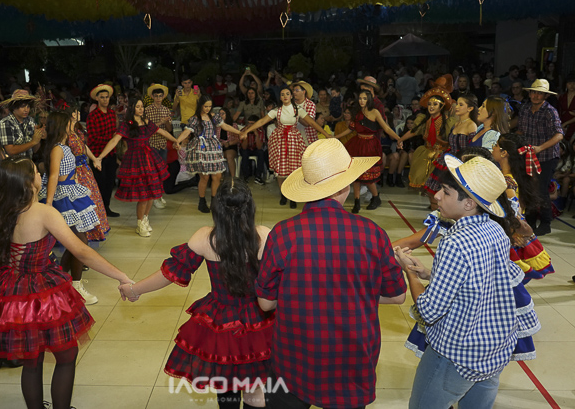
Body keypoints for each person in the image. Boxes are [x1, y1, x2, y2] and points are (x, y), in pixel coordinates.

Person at [0, 157, 134, 409]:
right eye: (36, 171)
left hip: (11, 289)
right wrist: (120, 275)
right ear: (28, 181)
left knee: (32, 361)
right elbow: (82, 251)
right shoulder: (44, 213)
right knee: (67, 356)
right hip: (41, 291)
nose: (40, 174)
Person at [256, 139, 406, 409]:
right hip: (352, 359)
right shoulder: (372, 233)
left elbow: (266, 303)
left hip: (295, 357)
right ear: (346, 186)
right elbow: (397, 296)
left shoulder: (283, 233)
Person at [119, 179, 273, 409]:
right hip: (259, 319)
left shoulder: (205, 238)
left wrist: (134, 289)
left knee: (226, 382)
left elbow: (169, 273)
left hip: (221, 321)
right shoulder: (264, 235)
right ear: (250, 207)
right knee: (255, 385)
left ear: (217, 208)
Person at [395, 155, 527, 409]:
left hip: (456, 354)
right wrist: (429, 274)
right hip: (493, 348)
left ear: (468, 203)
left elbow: (428, 311)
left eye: (446, 192)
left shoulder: (455, 242)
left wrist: (409, 272)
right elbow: (479, 282)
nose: (436, 196)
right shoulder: (496, 231)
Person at [39, 112, 100, 305]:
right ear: (61, 126)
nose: (72, 125)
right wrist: (49, 204)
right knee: (79, 243)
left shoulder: (62, 147)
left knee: (76, 243)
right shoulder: (58, 148)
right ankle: (75, 285)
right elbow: (53, 176)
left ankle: (62, 282)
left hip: (71, 192)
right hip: (64, 197)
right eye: (69, 123)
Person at [94, 97, 179, 236]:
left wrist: (175, 140)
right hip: (135, 160)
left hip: (149, 158)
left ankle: (145, 219)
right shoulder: (126, 124)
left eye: (142, 106)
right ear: (132, 108)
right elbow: (114, 140)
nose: (141, 109)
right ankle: (140, 223)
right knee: (143, 195)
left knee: (152, 193)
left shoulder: (146, 121)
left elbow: (161, 131)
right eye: (138, 107)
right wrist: (100, 157)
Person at [240, 88, 332, 209]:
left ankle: (292, 195)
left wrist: (326, 134)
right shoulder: (276, 110)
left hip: (293, 140)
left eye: (287, 94)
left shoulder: (298, 110)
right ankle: (283, 194)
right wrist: (247, 131)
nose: (285, 96)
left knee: (294, 169)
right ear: (280, 97)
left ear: (291, 96)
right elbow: (262, 121)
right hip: (280, 140)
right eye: (282, 94)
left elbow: (312, 123)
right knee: (280, 169)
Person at [493, 133, 554, 281]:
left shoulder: (507, 182)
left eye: (495, 145)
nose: (492, 148)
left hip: (507, 235)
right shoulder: (515, 177)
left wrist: (513, 231)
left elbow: (514, 212)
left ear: (504, 153)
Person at [334, 89, 401, 212]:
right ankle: (357, 202)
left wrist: (399, 139)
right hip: (357, 144)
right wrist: (335, 137)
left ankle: (376, 197)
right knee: (356, 174)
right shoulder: (357, 112)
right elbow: (351, 129)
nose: (362, 101)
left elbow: (386, 128)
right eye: (360, 98)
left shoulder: (375, 112)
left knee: (368, 176)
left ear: (369, 100)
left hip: (370, 145)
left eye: (364, 98)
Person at [176, 96, 243, 213]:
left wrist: (239, 132)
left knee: (217, 176)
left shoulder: (214, 116)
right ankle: (202, 202)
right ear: (200, 105)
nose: (207, 108)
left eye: (209, 106)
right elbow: (187, 131)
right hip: (201, 147)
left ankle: (214, 201)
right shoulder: (195, 119)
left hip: (213, 147)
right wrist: (178, 141)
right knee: (205, 176)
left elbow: (225, 126)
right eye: (205, 106)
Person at [517, 79, 564, 236]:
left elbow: (559, 135)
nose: (536, 96)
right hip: (529, 154)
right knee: (529, 187)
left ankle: (545, 222)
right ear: (530, 93)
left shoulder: (550, 111)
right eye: (534, 92)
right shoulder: (524, 109)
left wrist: (540, 148)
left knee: (541, 189)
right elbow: (521, 131)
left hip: (547, 155)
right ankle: (530, 220)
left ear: (545, 96)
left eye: (540, 93)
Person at [422, 95, 478, 209]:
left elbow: (472, 149)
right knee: (432, 190)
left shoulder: (471, 125)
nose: (457, 107)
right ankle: (436, 214)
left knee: (449, 193)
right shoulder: (456, 124)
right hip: (447, 159)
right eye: (457, 104)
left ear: (470, 108)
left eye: (461, 105)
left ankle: (442, 215)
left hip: (460, 163)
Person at [398, 85, 455, 191]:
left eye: (435, 104)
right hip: (427, 152)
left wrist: (439, 141)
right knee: (422, 179)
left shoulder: (447, 121)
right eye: (429, 104)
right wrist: (400, 139)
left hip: (441, 155)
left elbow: (451, 141)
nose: (431, 107)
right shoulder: (425, 120)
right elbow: (414, 131)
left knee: (437, 183)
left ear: (441, 106)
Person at [66, 109, 110, 243]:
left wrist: (95, 159)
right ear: (72, 114)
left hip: (84, 169)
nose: (79, 114)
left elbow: (84, 147)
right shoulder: (65, 133)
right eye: (77, 112)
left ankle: (93, 231)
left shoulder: (77, 131)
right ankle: (82, 233)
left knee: (93, 198)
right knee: (82, 201)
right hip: (74, 170)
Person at [86, 84, 120, 218]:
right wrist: (111, 139)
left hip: (111, 154)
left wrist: (113, 141)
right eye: (102, 97)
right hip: (97, 155)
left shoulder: (112, 114)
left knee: (109, 183)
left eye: (107, 97)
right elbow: (93, 138)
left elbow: (115, 133)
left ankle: (106, 207)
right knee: (99, 183)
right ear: (97, 99)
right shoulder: (92, 116)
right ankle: (99, 210)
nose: (105, 100)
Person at [0, 90, 45, 159]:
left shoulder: (30, 121)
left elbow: (35, 150)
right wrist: (33, 142)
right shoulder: (5, 123)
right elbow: (10, 151)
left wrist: (38, 137)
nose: (26, 110)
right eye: (22, 106)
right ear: (13, 107)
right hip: (11, 164)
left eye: (28, 106)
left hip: (27, 162)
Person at [239, 114, 267, 185]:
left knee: (261, 153)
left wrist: (256, 134)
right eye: (249, 123)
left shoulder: (260, 130)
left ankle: (258, 176)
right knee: (244, 153)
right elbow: (244, 147)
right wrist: (246, 134)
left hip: (255, 149)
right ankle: (245, 176)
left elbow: (259, 147)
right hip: (246, 149)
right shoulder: (243, 130)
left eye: (252, 124)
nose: (250, 125)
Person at [558, 75, 575, 141]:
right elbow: (559, 111)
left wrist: (565, 123)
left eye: (574, 83)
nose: (572, 85)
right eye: (569, 83)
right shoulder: (562, 97)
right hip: (563, 121)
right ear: (566, 84)